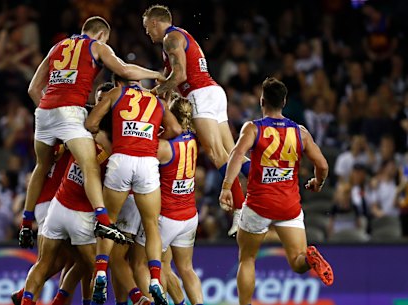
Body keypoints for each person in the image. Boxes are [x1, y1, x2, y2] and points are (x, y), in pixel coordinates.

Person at [21, 16, 165, 248]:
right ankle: (102, 219)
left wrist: (51, 115)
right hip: (70, 111)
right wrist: (156, 75)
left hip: (45, 110)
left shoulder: (57, 47)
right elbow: (125, 70)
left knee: (41, 166)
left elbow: (33, 88)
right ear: (101, 35)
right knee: (89, 164)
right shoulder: (96, 46)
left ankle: (26, 222)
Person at [219, 77, 334, 305]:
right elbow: (322, 165)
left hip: (259, 206)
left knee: (247, 259)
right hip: (289, 207)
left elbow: (235, 155)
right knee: (297, 262)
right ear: (284, 102)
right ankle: (310, 259)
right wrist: (317, 183)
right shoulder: (299, 132)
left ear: (262, 101)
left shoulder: (253, 128)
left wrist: (225, 187)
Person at [141, 5, 247, 236]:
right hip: (212, 92)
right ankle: (268, 186)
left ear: (156, 23)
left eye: (147, 27)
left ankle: (240, 209)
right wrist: (166, 93)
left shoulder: (171, 38)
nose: (147, 32)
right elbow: (175, 80)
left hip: (200, 94)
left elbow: (180, 76)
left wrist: (156, 93)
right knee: (232, 153)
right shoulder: (177, 37)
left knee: (214, 152)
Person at [85, 75, 182, 305]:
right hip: (147, 162)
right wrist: (150, 136)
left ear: (119, 81)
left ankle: (100, 272)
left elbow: (90, 124)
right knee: (151, 226)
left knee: (108, 221)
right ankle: (155, 279)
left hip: (121, 159)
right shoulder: (155, 100)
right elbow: (175, 128)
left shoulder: (115, 94)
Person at [19, 139, 111, 305]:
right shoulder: (112, 159)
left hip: (57, 205)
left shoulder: (76, 139)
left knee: (50, 262)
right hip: (78, 214)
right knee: (93, 266)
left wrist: (27, 219)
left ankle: (24, 297)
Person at [133, 95, 203, 305]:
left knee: (139, 264)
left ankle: (156, 301)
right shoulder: (192, 140)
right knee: (186, 269)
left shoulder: (163, 147)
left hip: (166, 216)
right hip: (189, 215)